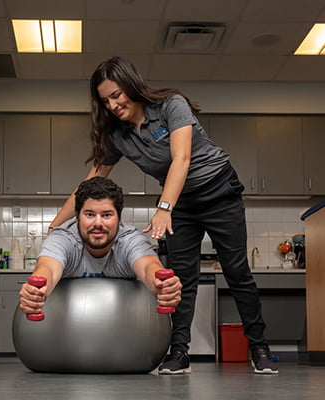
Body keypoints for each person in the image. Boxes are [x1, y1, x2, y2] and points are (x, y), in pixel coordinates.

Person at [48, 56, 278, 375]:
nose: (112, 105)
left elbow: (181, 159)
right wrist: (56, 225)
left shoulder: (172, 105)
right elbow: (90, 182)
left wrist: (164, 208)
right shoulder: (119, 136)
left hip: (218, 192)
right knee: (179, 278)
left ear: (130, 85)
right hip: (181, 203)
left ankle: (259, 347)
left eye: (116, 95)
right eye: (105, 101)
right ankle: (179, 351)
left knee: (237, 272)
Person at [19, 176, 182, 330]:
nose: (98, 223)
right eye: (90, 214)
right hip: (62, 340)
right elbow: (48, 268)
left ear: (119, 219)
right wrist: (38, 292)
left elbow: (148, 266)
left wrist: (161, 286)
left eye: (107, 215)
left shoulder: (129, 240)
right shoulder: (63, 238)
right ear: (77, 218)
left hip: (123, 341)